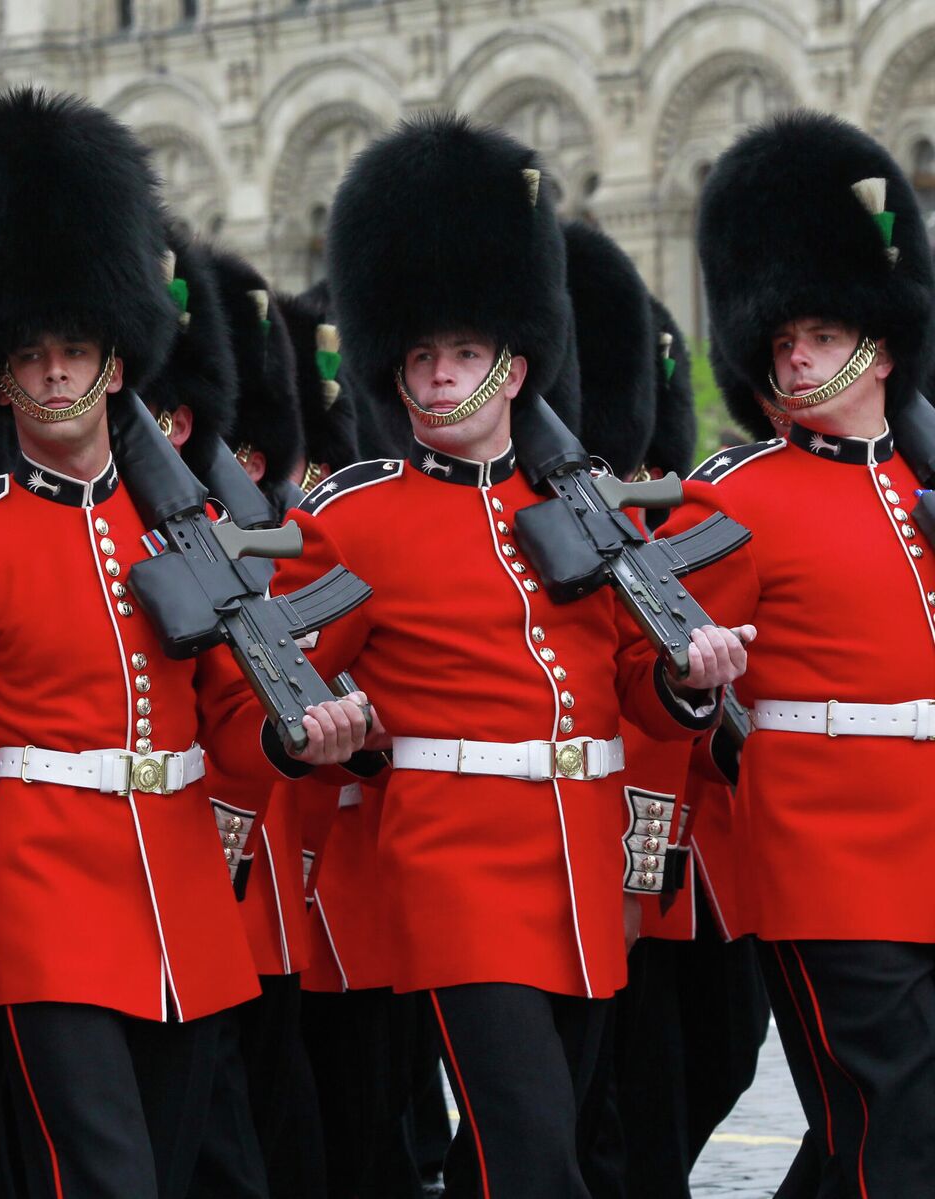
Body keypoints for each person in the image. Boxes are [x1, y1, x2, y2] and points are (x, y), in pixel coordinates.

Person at [247, 111, 753, 1197]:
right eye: (420, 356)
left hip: (576, 862)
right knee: (530, 1155)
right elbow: (279, 686)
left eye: (463, 354)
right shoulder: (359, 518)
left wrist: (684, 678)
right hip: (452, 869)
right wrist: (311, 734)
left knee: (531, 1151)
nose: (436, 378)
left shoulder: (577, 508)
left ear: (515, 364)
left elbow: (631, 683)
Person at [0, 87, 368, 1199]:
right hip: (48, 906)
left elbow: (231, 725)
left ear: (116, 360)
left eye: (75, 347)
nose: (54, 372)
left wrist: (299, 737)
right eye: (29, 354)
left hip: (186, 899)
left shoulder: (183, 527)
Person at [658, 109, 935, 1196]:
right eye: (781, 341)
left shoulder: (920, 483)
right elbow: (652, 669)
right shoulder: (734, 497)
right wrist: (690, 673)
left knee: (865, 1135)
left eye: (817, 333)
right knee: (891, 1118)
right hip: (823, 849)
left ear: (874, 332)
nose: (796, 355)